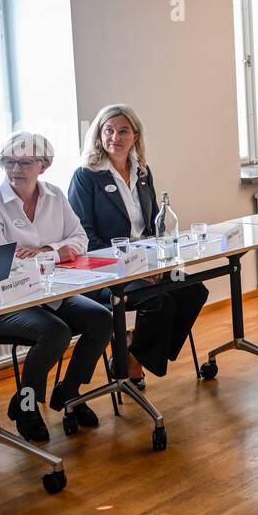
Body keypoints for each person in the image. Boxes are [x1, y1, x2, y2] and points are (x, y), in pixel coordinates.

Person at [0, 132, 113, 441]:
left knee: (102, 319)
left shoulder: (54, 195)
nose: (15, 170)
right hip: (9, 299)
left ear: (44, 165)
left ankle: (70, 392)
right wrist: (54, 253)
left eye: (24, 162)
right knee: (56, 332)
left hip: (52, 292)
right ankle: (26, 406)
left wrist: (45, 251)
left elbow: (80, 240)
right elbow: (0, 262)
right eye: (8, 162)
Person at [67, 104, 208, 387]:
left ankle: (132, 351)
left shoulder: (142, 172)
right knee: (159, 303)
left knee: (194, 291)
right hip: (107, 271)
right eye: (108, 131)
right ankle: (132, 363)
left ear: (135, 137)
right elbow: (86, 238)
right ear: (98, 135)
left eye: (123, 131)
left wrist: (157, 262)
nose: (115, 138)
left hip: (147, 262)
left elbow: (155, 225)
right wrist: (133, 268)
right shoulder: (86, 176)